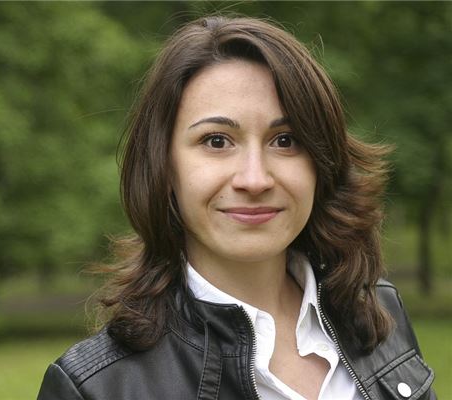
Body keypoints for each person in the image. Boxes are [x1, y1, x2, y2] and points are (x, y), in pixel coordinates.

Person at [37, 15, 435, 400]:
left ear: (321, 162)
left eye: (285, 140)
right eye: (216, 141)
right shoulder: (98, 388)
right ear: (164, 166)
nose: (255, 179)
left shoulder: (378, 314)